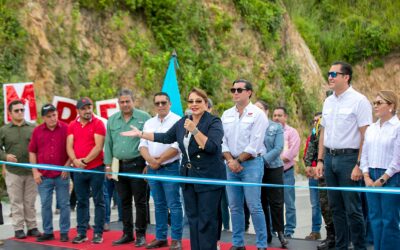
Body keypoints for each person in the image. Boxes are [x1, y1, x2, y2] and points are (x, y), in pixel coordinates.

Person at [121, 88, 226, 250]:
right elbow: (165, 137)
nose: (194, 104)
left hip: (209, 178)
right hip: (188, 177)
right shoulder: (184, 120)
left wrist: (195, 130)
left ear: (205, 103)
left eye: (198, 101)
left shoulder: (214, 122)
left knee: (207, 219)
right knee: (193, 218)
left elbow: (211, 147)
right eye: (191, 101)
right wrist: (141, 134)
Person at [316, 61, 371, 250]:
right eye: (328, 73)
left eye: (333, 74)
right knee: (335, 208)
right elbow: (323, 132)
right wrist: (320, 160)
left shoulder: (359, 100)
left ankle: (359, 246)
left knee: (353, 209)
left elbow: (366, 135)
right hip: (330, 158)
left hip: (349, 159)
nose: (329, 77)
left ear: (346, 77)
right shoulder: (328, 101)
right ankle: (340, 246)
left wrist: (359, 164)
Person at [221, 79, 268, 250]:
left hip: (251, 164)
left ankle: (261, 244)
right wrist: (229, 160)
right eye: (233, 89)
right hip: (230, 163)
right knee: (234, 206)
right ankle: (238, 243)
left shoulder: (258, 114)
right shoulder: (226, 114)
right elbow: (222, 141)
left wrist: (237, 161)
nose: (235, 93)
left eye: (239, 90)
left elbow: (254, 145)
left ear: (249, 92)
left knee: (254, 206)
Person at [104, 89, 151, 247]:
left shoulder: (144, 117)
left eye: (127, 101)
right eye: (122, 102)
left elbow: (150, 141)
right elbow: (108, 144)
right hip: (119, 165)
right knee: (123, 201)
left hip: (138, 164)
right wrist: (108, 165)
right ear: (118, 103)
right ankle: (127, 233)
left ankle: (141, 234)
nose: (125, 104)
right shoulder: (112, 120)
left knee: (140, 201)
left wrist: (148, 163)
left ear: (133, 101)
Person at [138, 92, 183, 249]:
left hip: (170, 168)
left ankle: (176, 239)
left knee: (174, 204)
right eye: (157, 103)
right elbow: (142, 145)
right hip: (152, 168)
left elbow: (177, 146)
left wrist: (160, 160)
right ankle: (161, 237)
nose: (161, 106)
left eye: (164, 103)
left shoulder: (178, 120)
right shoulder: (149, 122)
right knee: (158, 204)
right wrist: (151, 161)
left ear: (170, 104)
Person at [360, 90, 400, 250]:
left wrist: (383, 178)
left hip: (391, 177)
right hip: (371, 175)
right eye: (374, 103)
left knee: (389, 220)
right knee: (375, 218)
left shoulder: (397, 127)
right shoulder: (372, 128)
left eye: (379, 103)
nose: (375, 106)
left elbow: (397, 159)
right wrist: (366, 175)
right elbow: (365, 154)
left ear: (391, 106)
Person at [29, 104, 71, 242]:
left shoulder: (66, 128)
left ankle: (64, 232)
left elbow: (72, 149)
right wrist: (35, 171)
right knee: (45, 204)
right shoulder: (37, 131)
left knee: (64, 204)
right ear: (43, 118)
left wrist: (67, 166)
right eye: (49, 116)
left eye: (54, 115)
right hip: (43, 176)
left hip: (62, 174)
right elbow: (32, 152)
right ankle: (48, 232)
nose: (53, 118)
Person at [67, 97, 106, 244]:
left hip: (96, 168)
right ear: (78, 111)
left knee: (99, 201)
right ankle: (82, 232)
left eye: (89, 107)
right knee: (81, 201)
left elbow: (98, 146)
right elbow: (69, 146)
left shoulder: (98, 123)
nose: (87, 110)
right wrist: (75, 161)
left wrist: (84, 161)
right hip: (79, 170)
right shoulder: (72, 125)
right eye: (83, 108)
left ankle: (98, 233)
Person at [0, 100, 41, 239]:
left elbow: (40, 147)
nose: (20, 113)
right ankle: (18, 228)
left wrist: (39, 168)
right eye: (17, 110)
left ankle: (32, 227)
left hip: (31, 171)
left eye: (22, 110)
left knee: (30, 201)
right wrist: (5, 156)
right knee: (16, 201)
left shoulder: (33, 128)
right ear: (10, 113)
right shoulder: (4, 130)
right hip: (13, 172)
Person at [255, 100, 288, 248]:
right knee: (260, 202)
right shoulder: (250, 127)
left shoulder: (275, 127)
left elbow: (278, 147)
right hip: (255, 169)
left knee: (276, 202)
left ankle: (280, 232)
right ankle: (265, 232)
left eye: (260, 108)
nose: (257, 111)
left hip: (273, 168)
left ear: (266, 111)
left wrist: (263, 160)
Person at [304, 109, 335, 250]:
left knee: (343, 206)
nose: (317, 122)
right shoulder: (317, 127)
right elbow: (312, 144)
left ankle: (348, 237)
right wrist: (309, 163)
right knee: (324, 204)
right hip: (322, 170)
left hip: (338, 166)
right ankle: (331, 237)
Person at [272, 106, 300, 238]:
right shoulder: (269, 131)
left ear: (285, 117)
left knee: (289, 202)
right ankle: (275, 229)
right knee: (274, 202)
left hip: (286, 171)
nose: (276, 118)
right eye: (275, 115)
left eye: (279, 115)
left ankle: (289, 230)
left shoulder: (292, 132)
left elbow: (292, 151)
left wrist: (275, 160)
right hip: (272, 172)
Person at [303, 112, 323, 241]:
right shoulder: (312, 135)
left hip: (324, 174)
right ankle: (315, 231)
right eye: (314, 121)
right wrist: (309, 167)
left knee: (331, 205)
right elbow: (307, 154)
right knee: (315, 204)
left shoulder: (327, 134)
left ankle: (334, 232)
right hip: (313, 175)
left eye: (319, 121)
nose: (316, 123)